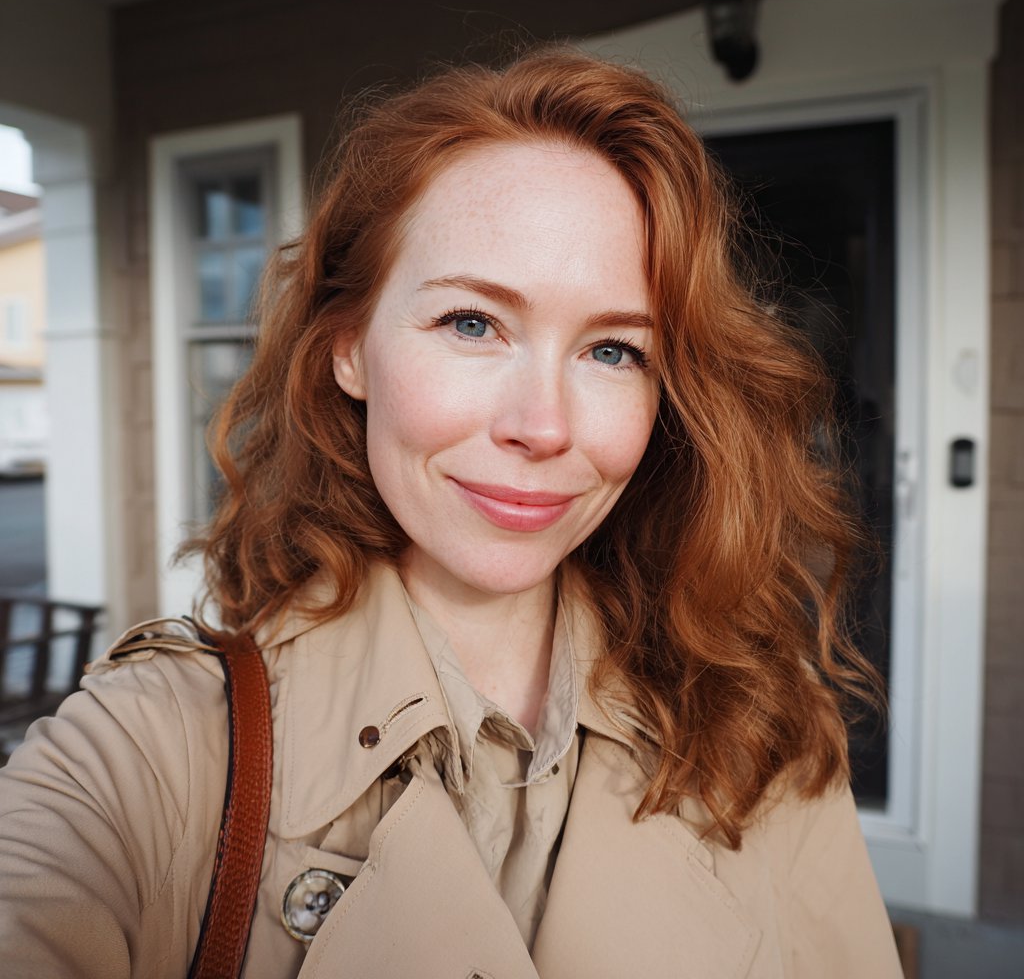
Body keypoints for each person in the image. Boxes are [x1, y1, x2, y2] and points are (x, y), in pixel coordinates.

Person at [0, 48, 903, 978]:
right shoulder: (160, 751)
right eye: (473, 324)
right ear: (348, 347)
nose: (543, 427)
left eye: (613, 351)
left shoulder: (763, 726)